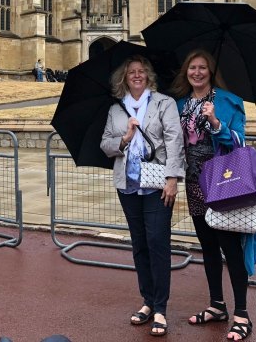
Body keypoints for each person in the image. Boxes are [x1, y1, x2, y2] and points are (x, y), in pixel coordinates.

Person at [171, 49, 253, 341]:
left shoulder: (229, 101)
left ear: (210, 71)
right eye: (192, 67)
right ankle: (217, 305)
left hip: (222, 182)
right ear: (186, 72)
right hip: (195, 183)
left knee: (231, 249)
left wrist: (216, 123)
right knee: (207, 247)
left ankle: (242, 313)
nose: (197, 72)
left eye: (202, 67)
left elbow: (240, 141)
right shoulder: (179, 104)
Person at [100, 55, 185, 337]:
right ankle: (147, 301)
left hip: (158, 184)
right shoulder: (116, 109)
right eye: (131, 72)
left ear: (148, 76)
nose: (136, 75)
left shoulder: (164, 103)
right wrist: (124, 138)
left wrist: (173, 178)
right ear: (123, 79)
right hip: (128, 184)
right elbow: (105, 144)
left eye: (141, 71)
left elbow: (175, 141)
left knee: (157, 242)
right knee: (139, 244)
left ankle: (160, 307)